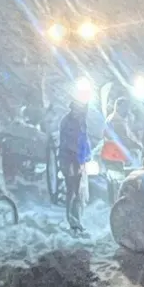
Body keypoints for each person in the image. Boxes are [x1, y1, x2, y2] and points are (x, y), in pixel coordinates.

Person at [57, 98, 92, 235]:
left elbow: (84, 139)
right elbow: (69, 143)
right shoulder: (68, 122)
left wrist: (86, 155)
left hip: (78, 160)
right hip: (70, 160)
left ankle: (77, 220)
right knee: (72, 191)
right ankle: (73, 222)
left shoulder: (80, 121)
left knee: (79, 192)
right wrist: (77, 157)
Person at [99, 97, 140, 205]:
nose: (127, 109)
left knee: (112, 184)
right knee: (122, 184)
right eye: (125, 107)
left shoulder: (112, 118)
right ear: (118, 106)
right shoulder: (116, 121)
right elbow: (123, 139)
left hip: (109, 156)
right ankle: (121, 206)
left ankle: (113, 204)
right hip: (115, 157)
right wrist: (138, 146)